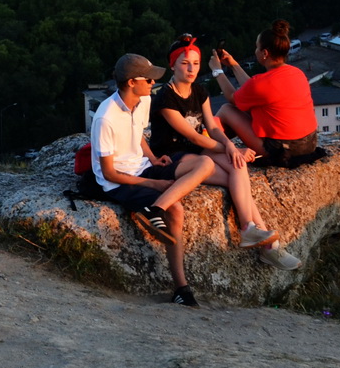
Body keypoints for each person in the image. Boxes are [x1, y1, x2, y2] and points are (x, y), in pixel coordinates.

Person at [151, 34, 301, 270]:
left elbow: (211, 127)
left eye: (196, 63)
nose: (191, 69)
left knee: (237, 168)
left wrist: (231, 147)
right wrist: (233, 149)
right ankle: (263, 242)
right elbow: (192, 136)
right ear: (172, 65)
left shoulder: (199, 91)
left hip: (200, 150)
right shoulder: (164, 98)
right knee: (236, 176)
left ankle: (256, 235)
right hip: (176, 157)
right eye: (184, 63)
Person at [91, 53, 214, 307]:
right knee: (177, 211)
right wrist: (154, 184)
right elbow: (109, 174)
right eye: (148, 80)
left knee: (206, 163)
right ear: (131, 82)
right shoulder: (106, 117)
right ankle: (182, 288)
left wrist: (153, 158)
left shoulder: (143, 100)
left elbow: (138, 135)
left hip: (144, 166)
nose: (152, 84)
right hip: (121, 181)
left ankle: (155, 208)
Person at [210, 19, 319, 168]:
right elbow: (254, 90)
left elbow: (233, 98)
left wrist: (217, 71)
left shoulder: (261, 83)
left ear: (265, 53)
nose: (255, 51)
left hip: (284, 151)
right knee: (250, 110)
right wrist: (234, 65)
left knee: (226, 109)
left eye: (257, 47)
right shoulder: (297, 73)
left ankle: (212, 148)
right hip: (309, 145)